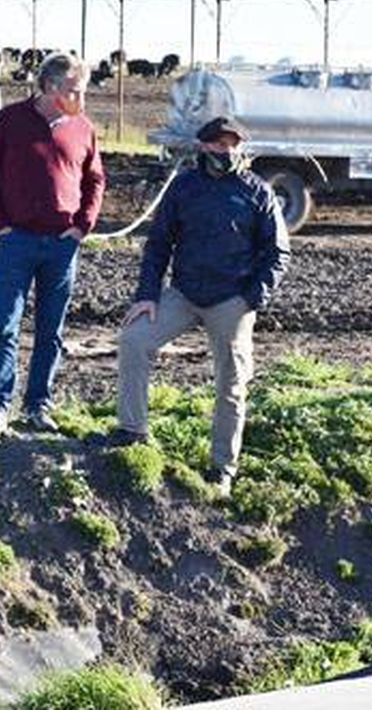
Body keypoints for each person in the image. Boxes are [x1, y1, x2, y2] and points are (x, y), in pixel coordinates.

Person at [115, 115, 290, 496]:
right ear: (203, 147)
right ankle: (132, 431)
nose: (224, 151)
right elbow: (159, 244)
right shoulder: (184, 188)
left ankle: (222, 468)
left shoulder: (257, 191)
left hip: (232, 298)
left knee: (232, 382)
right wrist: (147, 295)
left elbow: (277, 252)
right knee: (134, 339)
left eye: (231, 145)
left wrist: (251, 299)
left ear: (240, 148)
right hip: (183, 293)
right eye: (216, 144)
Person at [0, 51, 106, 438]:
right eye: (74, 90)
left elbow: (95, 179)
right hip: (17, 242)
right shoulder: (11, 120)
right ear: (50, 87)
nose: (80, 97)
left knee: (51, 331)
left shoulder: (83, 128)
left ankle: (37, 407)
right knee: (6, 326)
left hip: (61, 245)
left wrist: (83, 225)